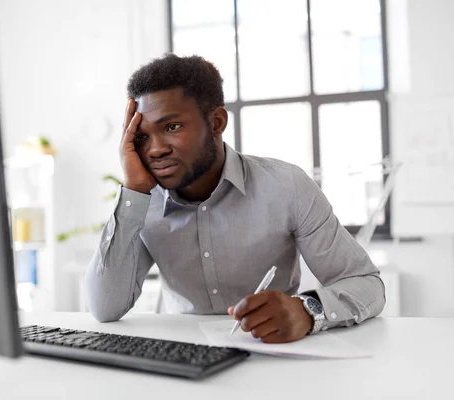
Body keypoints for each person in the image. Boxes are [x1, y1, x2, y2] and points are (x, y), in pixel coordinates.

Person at [85, 54, 385, 343]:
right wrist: (133, 192)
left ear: (216, 123)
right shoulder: (141, 202)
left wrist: (308, 311)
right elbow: (104, 307)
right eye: (141, 136)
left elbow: (367, 285)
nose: (155, 150)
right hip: (177, 356)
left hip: (269, 352)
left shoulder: (286, 186)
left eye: (172, 127)